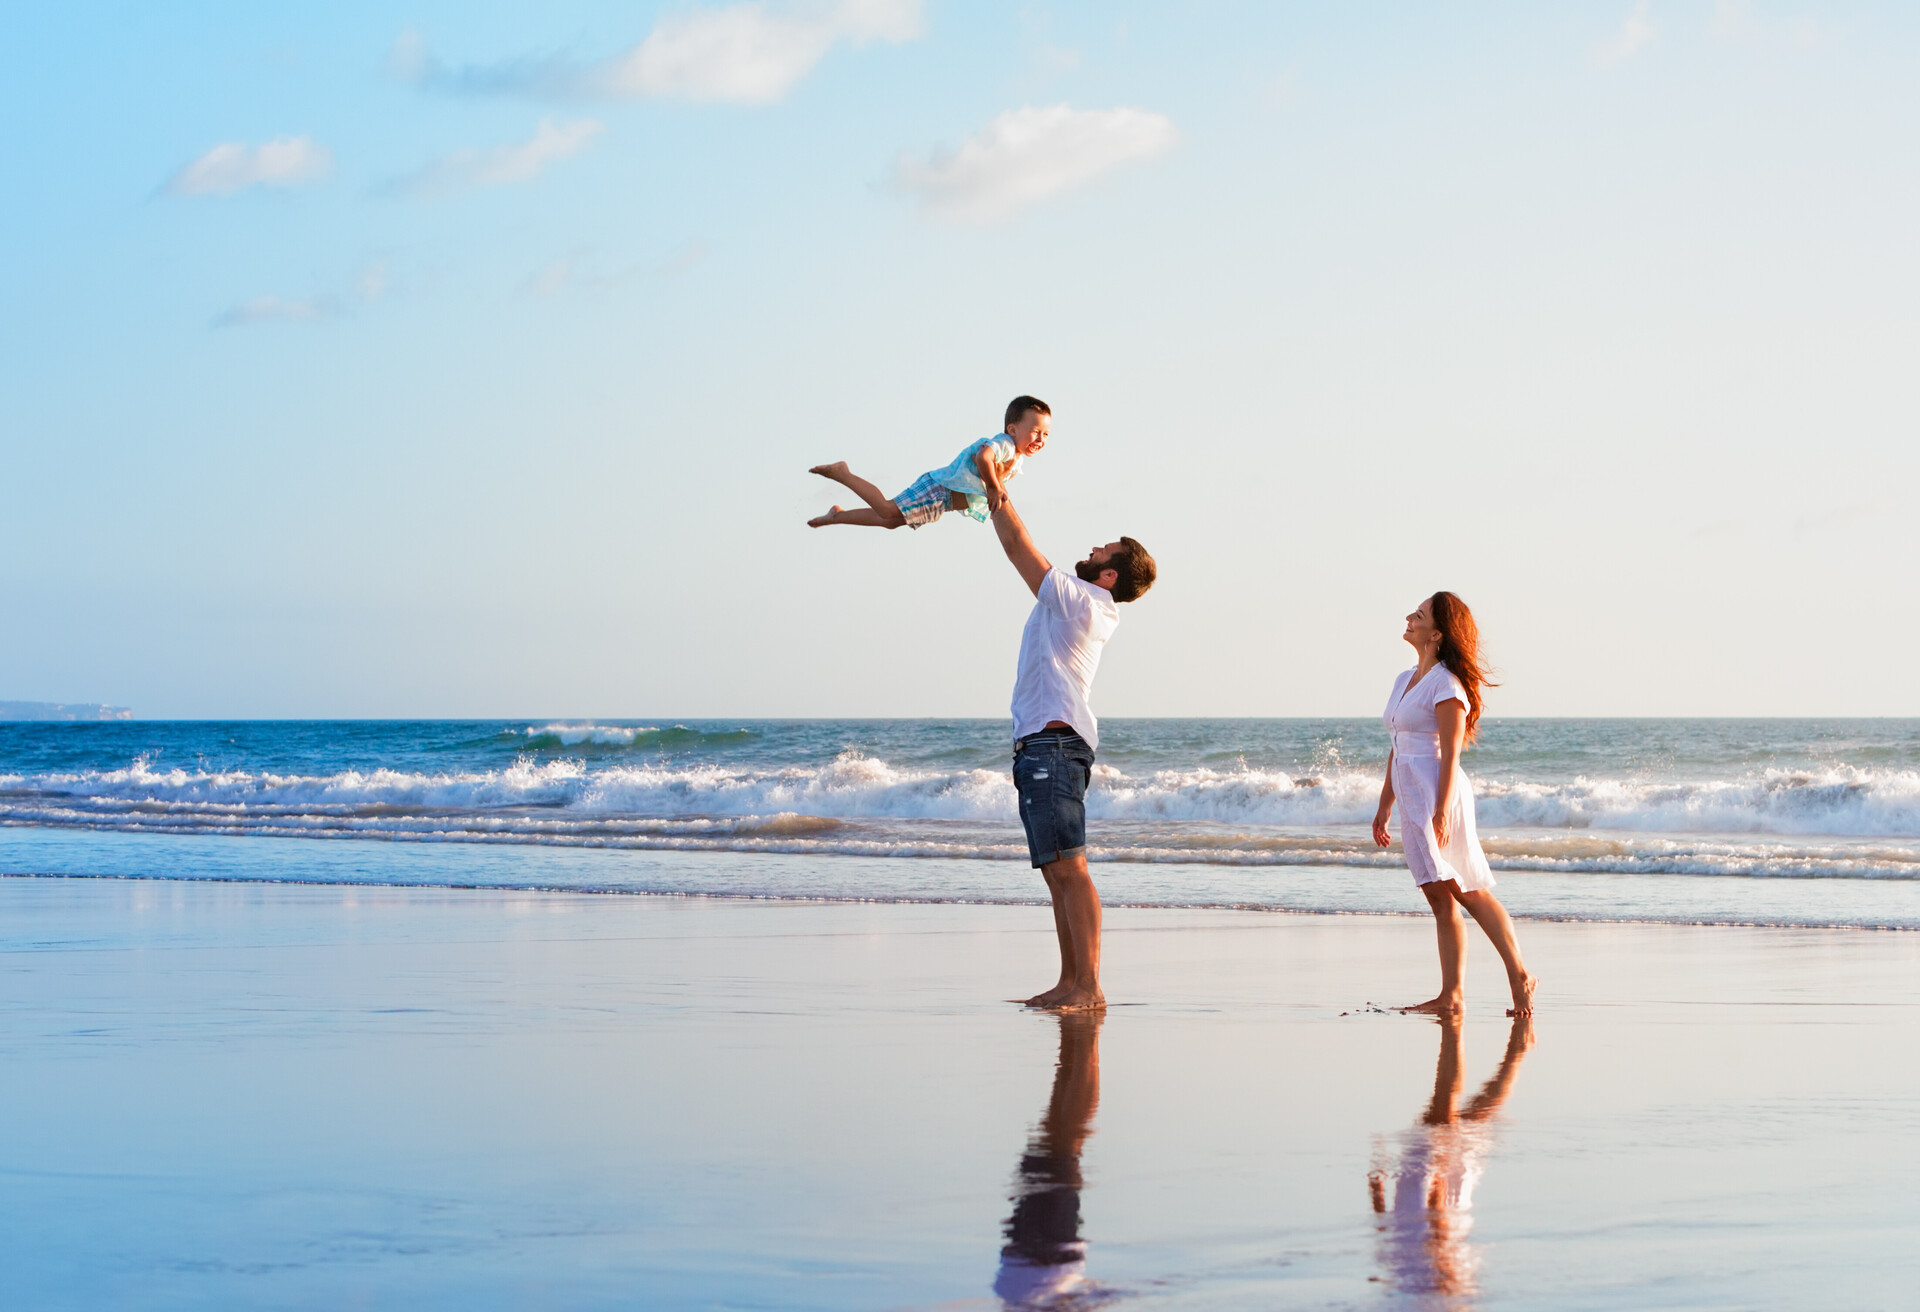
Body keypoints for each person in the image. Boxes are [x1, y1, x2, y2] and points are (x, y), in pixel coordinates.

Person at [989, 494, 1155, 1011]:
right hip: (1043, 742)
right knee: (1055, 869)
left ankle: (1088, 986)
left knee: (1070, 868)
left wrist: (995, 484)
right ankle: (1070, 981)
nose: (1093, 550)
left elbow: (1018, 545)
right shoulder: (1076, 602)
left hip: (1055, 744)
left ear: (1108, 576)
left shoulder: (1083, 601)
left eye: (1103, 551)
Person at [1371, 592, 1537, 1016]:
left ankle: (1519, 975)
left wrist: (1442, 809)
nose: (1409, 617)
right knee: (1437, 895)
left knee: (1466, 888)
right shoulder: (1404, 679)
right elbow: (1397, 744)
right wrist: (1384, 804)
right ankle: (1452, 995)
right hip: (1410, 793)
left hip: (1438, 793)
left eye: (1420, 615)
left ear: (1437, 634)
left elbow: (1452, 751)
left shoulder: (1446, 685)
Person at [1368, 1012, 1535, 1299]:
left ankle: (1513, 1055)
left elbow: (1387, 1230)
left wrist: (1378, 1190)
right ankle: (1515, 1054)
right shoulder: (1417, 1277)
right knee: (1464, 1111)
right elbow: (1435, 1223)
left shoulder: (1404, 1277)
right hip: (1437, 1179)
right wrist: (1441, 1167)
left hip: (1429, 1175)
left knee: (1462, 1111)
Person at [993, 1012, 1105, 1307]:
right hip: (1035, 1266)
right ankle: (1086, 1045)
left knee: (1061, 1143)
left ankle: (1087, 1044)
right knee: (1061, 1142)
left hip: (1036, 1264)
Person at [807, 396, 1050, 529]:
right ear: (1013, 429)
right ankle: (843, 473)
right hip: (939, 489)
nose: (1040, 439)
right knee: (888, 510)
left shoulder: (1015, 456)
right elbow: (982, 457)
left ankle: (836, 516)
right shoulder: (1005, 444)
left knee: (890, 522)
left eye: (1046, 434)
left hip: (942, 500)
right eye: (1035, 431)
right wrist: (996, 488)